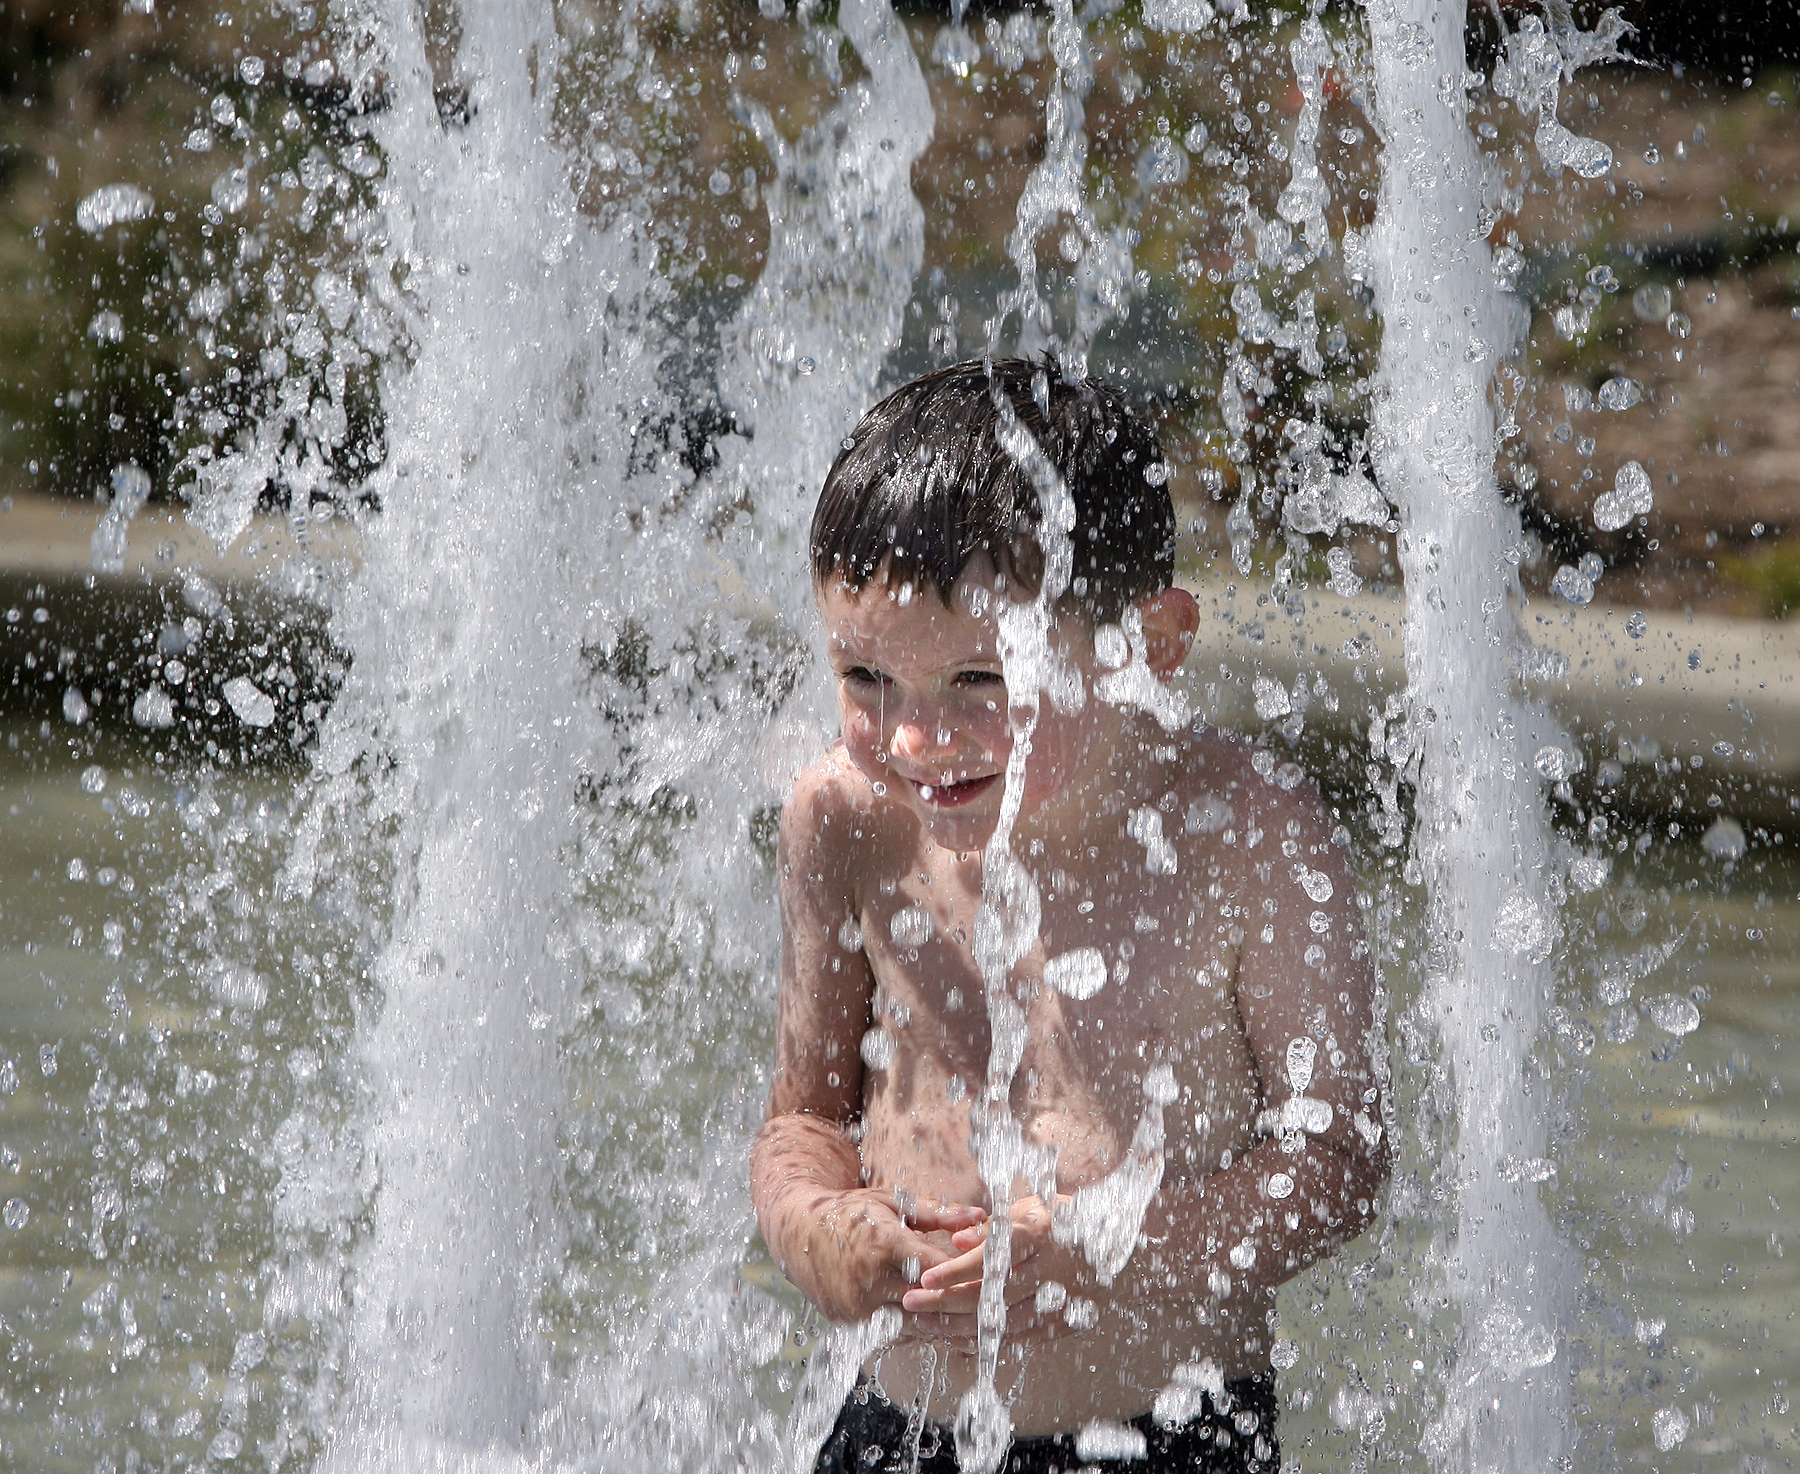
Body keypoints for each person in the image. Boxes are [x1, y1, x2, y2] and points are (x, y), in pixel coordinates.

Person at [751, 358, 1390, 1473]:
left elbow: (1340, 1157)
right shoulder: (845, 821)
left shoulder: (1249, 834)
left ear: (1152, 645)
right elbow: (802, 1117)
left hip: (1172, 1434)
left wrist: (1115, 1243)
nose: (913, 738)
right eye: (866, 677)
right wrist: (822, 1229)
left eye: (978, 683)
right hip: (903, 1429)